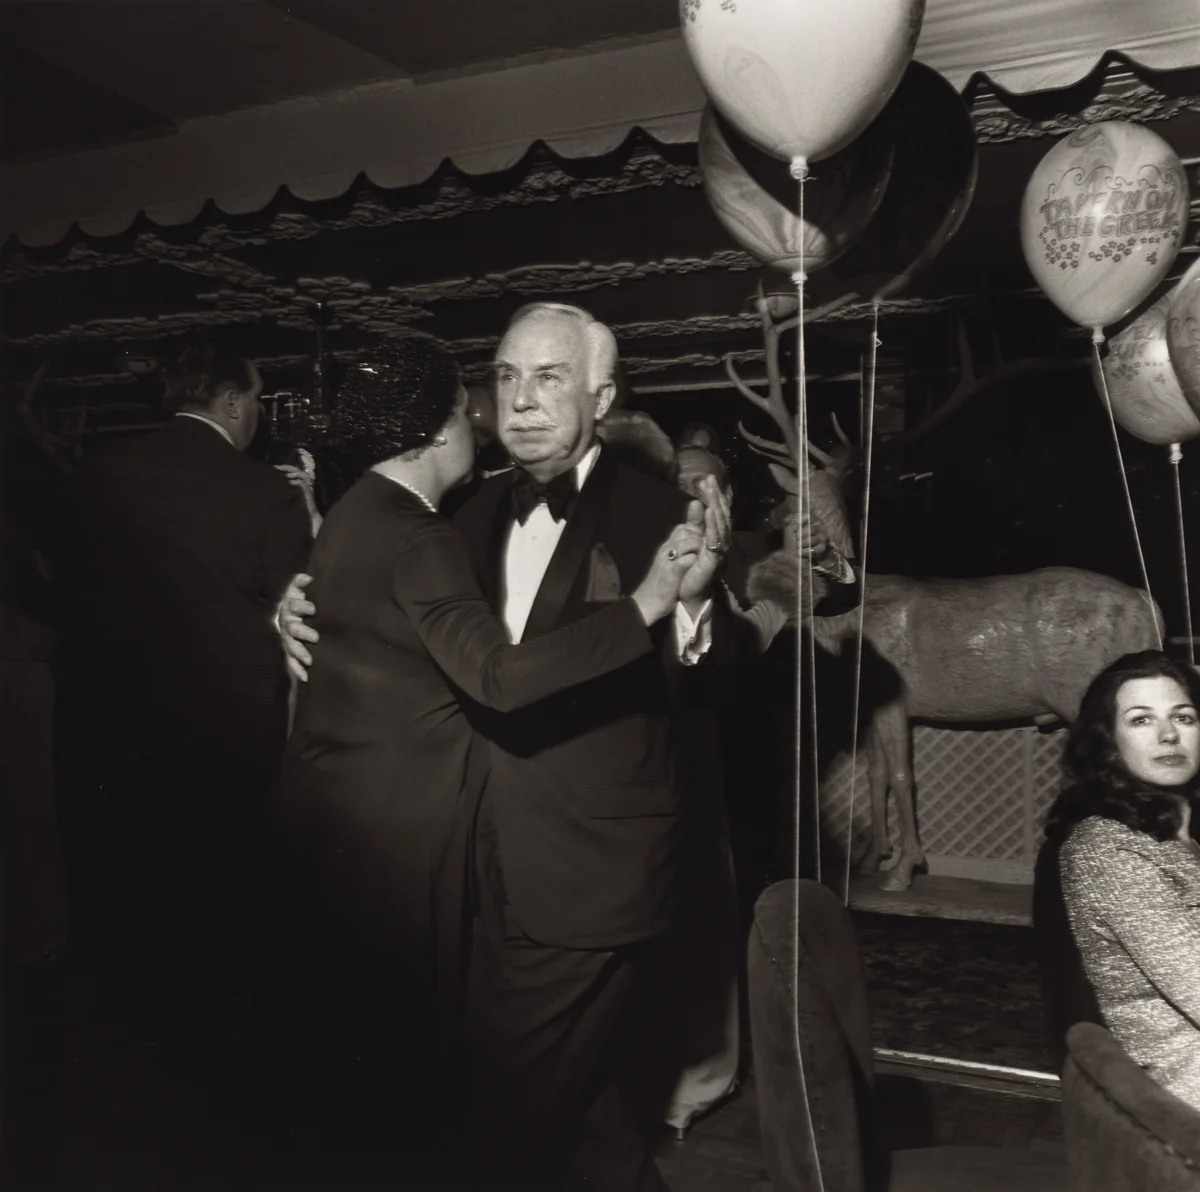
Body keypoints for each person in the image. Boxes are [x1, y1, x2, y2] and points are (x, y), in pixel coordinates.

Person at [257, 332, 710, 1183]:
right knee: (499, 1102)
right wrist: (289, 611)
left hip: (576, 861)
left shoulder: (667, 512)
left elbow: (722, 676)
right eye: (502, 381)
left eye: (548, 378)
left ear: (601, 398)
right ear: (444, 426)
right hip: (440, 858)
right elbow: (485, 671)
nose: (516, 403)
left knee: (537, 1103)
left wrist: (687, 612)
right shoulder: (442, 519)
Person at [55, 340, 313, 1078]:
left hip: (113, 735)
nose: (258, 414)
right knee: (219, 912)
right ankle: (215, 1066)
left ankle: (132, 1056)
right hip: (226, 741)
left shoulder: (98, 474)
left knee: (130, 906)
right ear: (231, 402)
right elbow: (299, 614)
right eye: (256, 399)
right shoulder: (262, 491)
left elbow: (70, 591)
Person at [1044, 649, 1200, 1109]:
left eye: (1184, 717)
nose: (1168, 734)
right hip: (1182, 1091)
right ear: (1109, 744)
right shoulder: (1107, 850)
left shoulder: (1183, 836)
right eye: (1141, 720)